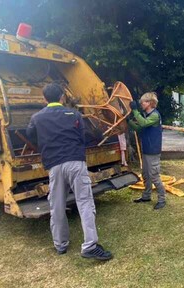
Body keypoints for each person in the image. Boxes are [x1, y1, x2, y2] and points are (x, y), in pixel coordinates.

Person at [26, 83, 112, 261]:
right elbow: (84, 136)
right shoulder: (74, 114)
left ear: (44, 99)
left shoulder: (37, 118)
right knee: (85, 203)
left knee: (56, 205)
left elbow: (31, 137)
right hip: (75, 162)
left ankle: (60, 244)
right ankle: (89, 246)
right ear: (62, 97)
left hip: (54, 165)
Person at [128, 92, 166, 210]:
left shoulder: (154, 115)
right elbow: (140, 128)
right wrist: (128, 121)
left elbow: (143, 123)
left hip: (153, 151)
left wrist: (134, 111)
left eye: (143, 102)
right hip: (146, 150)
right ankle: (146, 196)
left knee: (154, 176)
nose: (141, 104)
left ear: (150, 103)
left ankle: (162, 199)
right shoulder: (145, 114)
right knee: (145, 174)